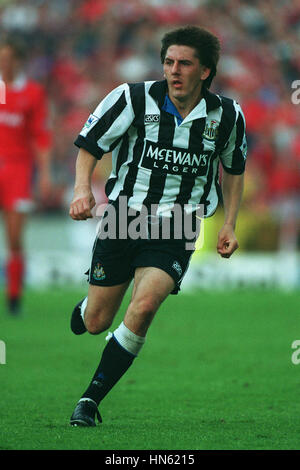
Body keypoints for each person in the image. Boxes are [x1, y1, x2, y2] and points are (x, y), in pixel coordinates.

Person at [69, 26, 247, 427]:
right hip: (124, 217)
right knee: (97, 322)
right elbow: (90, 144)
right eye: (169, 62)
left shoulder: (228, 115)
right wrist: (82, 189)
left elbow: (234, 170)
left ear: (205, 71)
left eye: (184, 63)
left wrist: (229, 224)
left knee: (145, 306)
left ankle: (89, 400)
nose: (174, 71)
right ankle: (86, 309)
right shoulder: (132, 97)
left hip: (179, 223)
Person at [0, 37, 52, 314]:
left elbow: (41, 137)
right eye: (2, 58)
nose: (4, 63)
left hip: (18, 169)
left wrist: (44, 174)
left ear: (18, 61)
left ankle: (14, 296)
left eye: (9, 58)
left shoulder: (32, 93)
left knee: (14, 235)